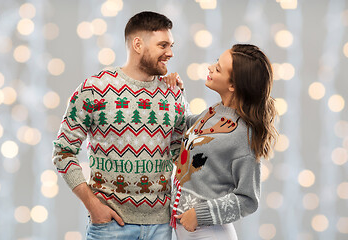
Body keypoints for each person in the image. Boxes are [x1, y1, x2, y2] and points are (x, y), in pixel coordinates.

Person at [52, 11, 187, 240]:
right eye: (163, 45)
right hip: (111, 226)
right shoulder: (95, 89)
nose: (170, 53)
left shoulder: (173, 94)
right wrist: (93, 205)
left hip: (161, 227)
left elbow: (183, 155)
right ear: (137, 44)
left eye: (171, 45)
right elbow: (63, 152)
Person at [164, 44, 278, 239]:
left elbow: (248, 199)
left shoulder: (244, 134)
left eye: (218, 68)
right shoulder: (215, 111)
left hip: (209, 233)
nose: (210, 67)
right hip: (184, 230)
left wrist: (200, 215)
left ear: (233, 85)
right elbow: (185, 125)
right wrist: (177, 92)